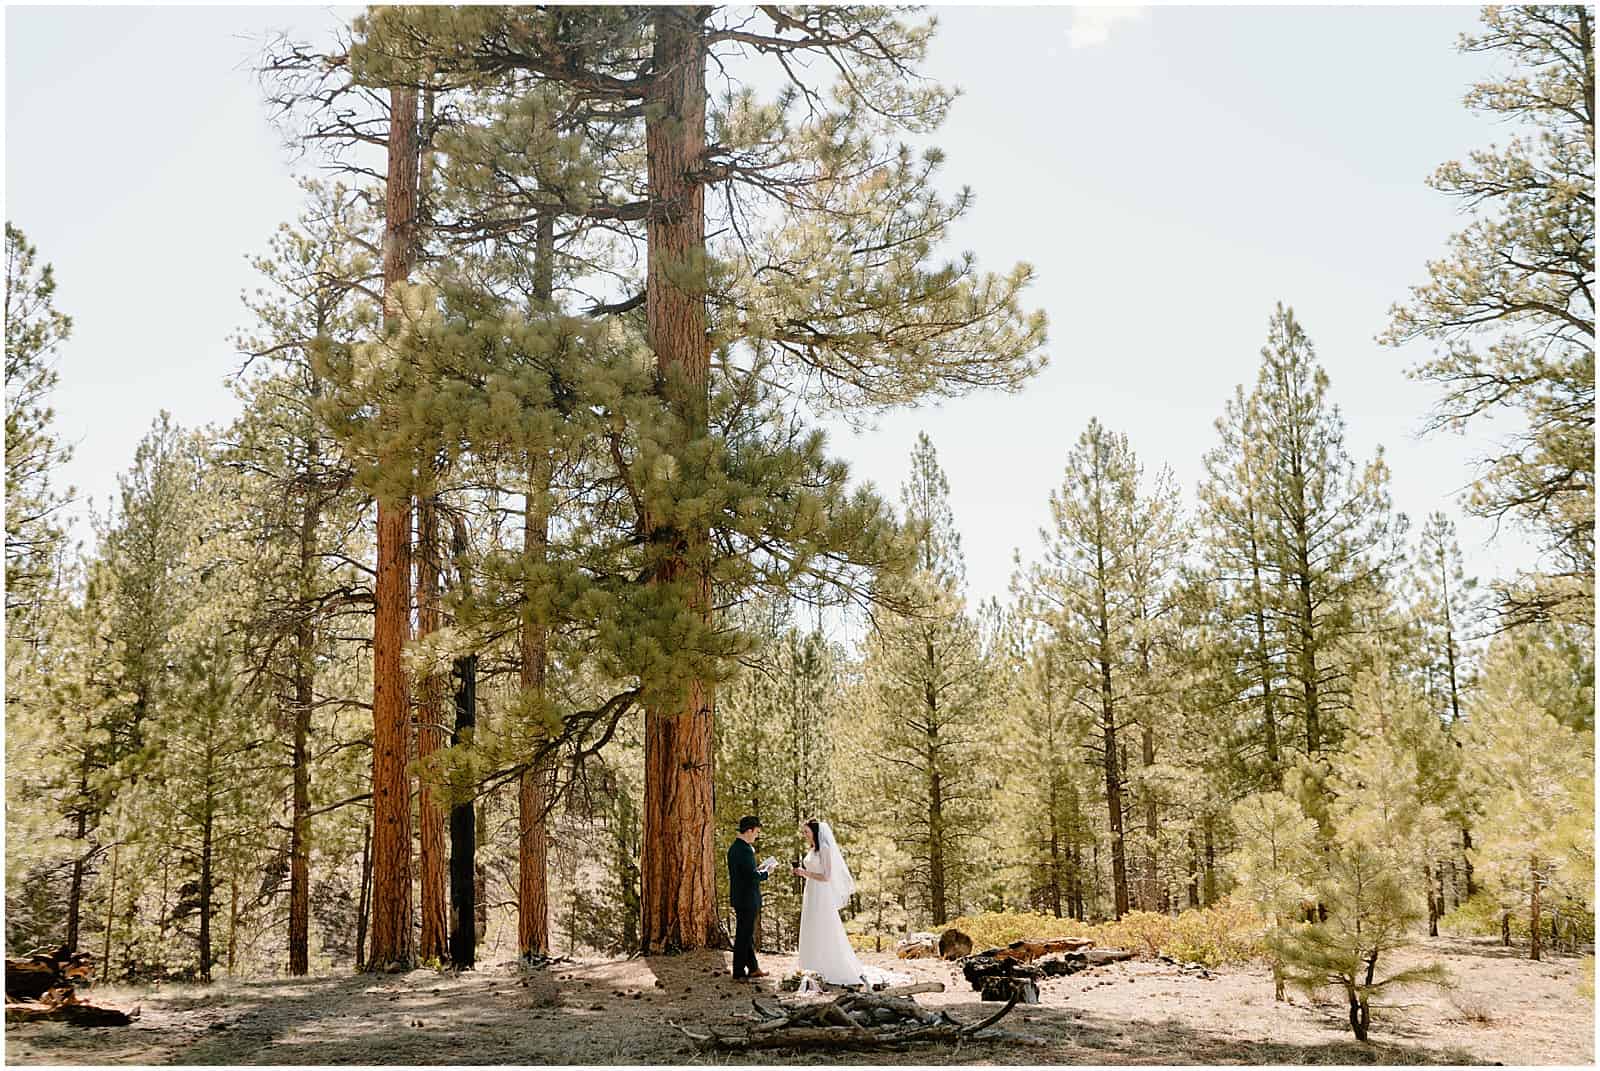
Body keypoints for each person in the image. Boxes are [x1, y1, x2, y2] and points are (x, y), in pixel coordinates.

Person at [793, 818, 905, 988]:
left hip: (821, 893)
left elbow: (826, 876)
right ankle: (811, 965)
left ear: (815, 832)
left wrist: (804, 873)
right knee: (811, 926)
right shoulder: (813, 848)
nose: (804, 835)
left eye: (806, 832)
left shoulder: (825, 848)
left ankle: (829, 966)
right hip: (811, 891)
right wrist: (803, 873)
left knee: (824, 927)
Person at [727, 815, 770, 981]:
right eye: (756, 832)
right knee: (744, 936)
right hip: (747, 899)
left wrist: (757, 870)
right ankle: (738, 972)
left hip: (741, 897)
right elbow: (751, 877)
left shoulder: (735, 848)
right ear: (749, 830)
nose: (757, 836)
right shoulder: (743, 849)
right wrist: (766, 873)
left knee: (746, 933)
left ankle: (753, 968)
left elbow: (745, 873)